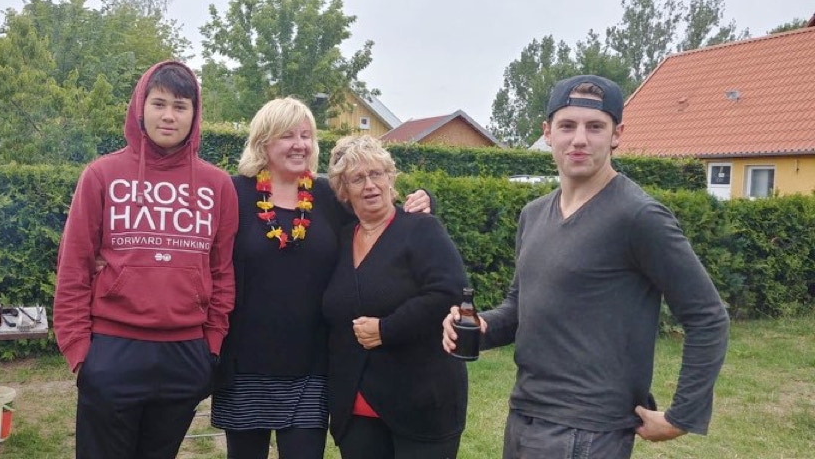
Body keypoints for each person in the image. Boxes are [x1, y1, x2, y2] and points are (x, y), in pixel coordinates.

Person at [442, 74, 730, 458]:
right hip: (526, 414)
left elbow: (707, 316)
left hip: (589, 430)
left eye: (595, 127)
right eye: (567, 126)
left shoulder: (638, 216)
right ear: (548, 133)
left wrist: (682, 415)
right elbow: (519, 307)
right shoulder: (533, 214)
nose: (579, 139)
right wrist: (480, 327)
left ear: (617, 134)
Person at [211, 98, 432, 459]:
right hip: (244, 366)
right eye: (287, 136)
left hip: (312, 366)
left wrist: (424, 202)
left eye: (306, 135)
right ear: (263, 141)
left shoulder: (328, 195)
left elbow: (382, 218)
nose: (299, 144)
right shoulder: (234, 193)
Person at [53, 60, 239, 459]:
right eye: (159, 104)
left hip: (185, 354)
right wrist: (79, 351)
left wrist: (211, 346)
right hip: (113, 350)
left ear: (194, 114)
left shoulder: (218, 185)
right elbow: (73, 266)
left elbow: (222, 271)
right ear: (141, 107)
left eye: (180, 106)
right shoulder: (101, 175)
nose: (169, 116)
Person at [322, 135, 469, 459]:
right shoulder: (342, 239)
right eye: (358, 178)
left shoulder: (421, 229)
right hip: (357, 409)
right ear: (344, 191)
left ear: (391, 178)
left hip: (421, 404)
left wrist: (386, 329)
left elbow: (449, 292)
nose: (370, 185)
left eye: (377, 173)